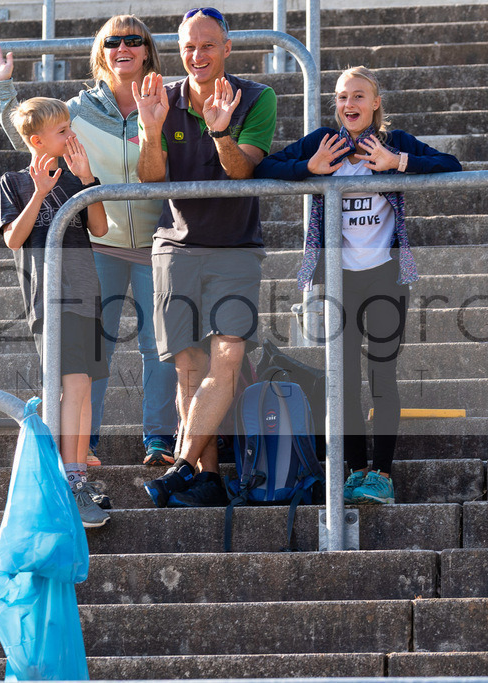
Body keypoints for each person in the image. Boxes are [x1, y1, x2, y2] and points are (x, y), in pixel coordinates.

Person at [0, 14, 179, 469]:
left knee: (158, 345)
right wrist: (3, 87)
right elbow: (31, 136)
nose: (122, 47)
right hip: (99, 243)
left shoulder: (166, 100)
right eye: (112, 41)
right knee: (96, 351)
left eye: (133, 39)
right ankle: (85, 445)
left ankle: (159, 439)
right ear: (101, 52)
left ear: (147, 48)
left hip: (158, 241)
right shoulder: (81, 110)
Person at [254, 66, 462, 505]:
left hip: (386, 274)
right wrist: (307, 168)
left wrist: (396, 164)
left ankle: (381, 473)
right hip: (338, 278)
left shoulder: (395, 142)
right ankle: (353, 470)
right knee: (342, 378)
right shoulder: (322, 142)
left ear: (375, 103)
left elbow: (451, 165)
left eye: (359, 96)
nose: (350, 104)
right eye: (342, 97)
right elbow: (265, 166)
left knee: (382, 373)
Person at [134, 7, 277, 508]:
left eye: (208, 45)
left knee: (229, 358)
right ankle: (209, 477)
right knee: (188, 370)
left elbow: (243, 174)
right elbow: (152, 181)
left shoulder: (257, 97)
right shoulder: (160, 99)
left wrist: (220, 132)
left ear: (227, 48)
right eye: (189, 47)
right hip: (175, 245)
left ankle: (179, 466)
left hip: (235, 248)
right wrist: (151, 132)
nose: (197, 55)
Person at [0, 97, 111, 528]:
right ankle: (67, 477)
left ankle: (74, 476)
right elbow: (14, 239)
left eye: (69, 127)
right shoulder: (14, 180)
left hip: (86, 293)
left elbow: (99, 228)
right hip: (49, 297)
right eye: (62, 130)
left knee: (81, 388)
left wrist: (88, 181)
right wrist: (40, 193)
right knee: (71, 387)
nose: (70, 136)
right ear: (35, 140)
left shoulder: (76, 176)